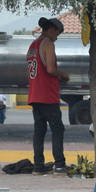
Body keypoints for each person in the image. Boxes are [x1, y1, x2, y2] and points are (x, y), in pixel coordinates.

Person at [27, 16, 70, 172]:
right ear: (51, 30)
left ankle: (38, 165)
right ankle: (59, 163)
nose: (56, 38)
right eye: (57, 34)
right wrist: (63, 75)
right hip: (47, 95)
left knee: (39, 131)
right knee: (57, 129)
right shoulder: (48, 43)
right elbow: (51, 69)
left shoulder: (33, 45)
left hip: (34, 94)